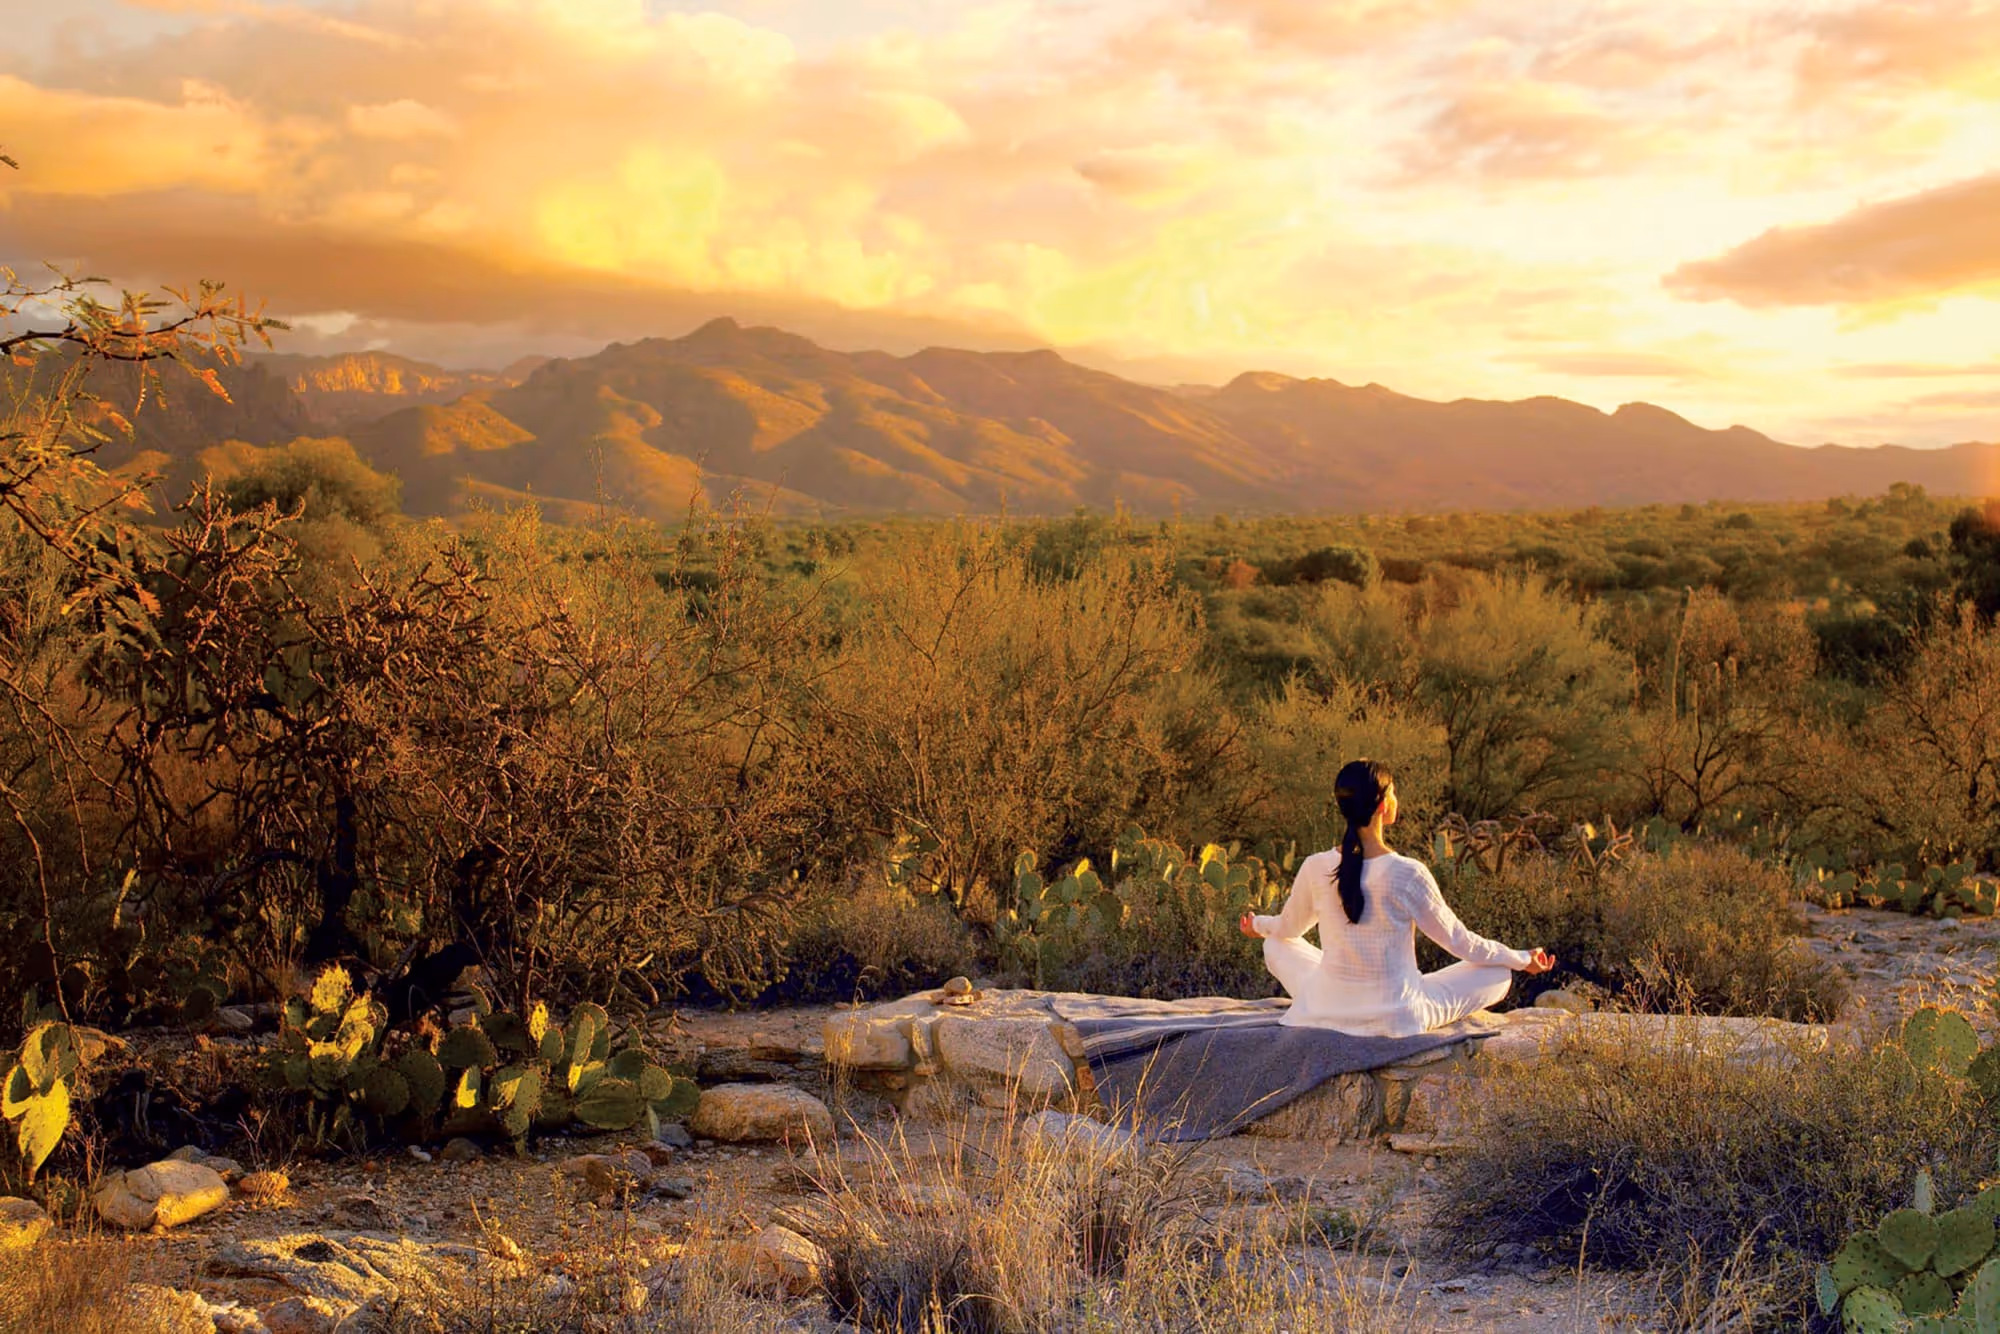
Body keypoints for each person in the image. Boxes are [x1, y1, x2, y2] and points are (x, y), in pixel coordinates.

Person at [1237, 759, 1554, 1037]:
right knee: (1498, 973)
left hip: (1324, 1007)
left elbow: (1287, 929)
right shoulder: (1407, 873)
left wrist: (1258, 925)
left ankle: (1343, 989)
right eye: (1393, 793)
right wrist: (1521, 958)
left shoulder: (1316, 865)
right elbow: (1461, 943)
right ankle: (1363, 989)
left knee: (1273, 942)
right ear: (1383, 806)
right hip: (1398, 1015)